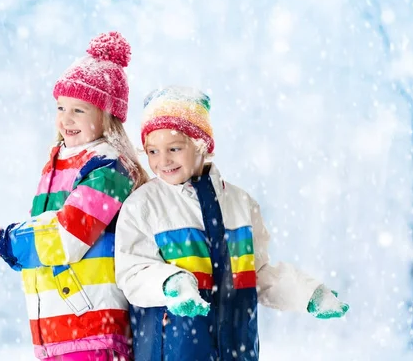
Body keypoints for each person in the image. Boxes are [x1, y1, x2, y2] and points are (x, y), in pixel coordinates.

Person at [114, 85, 349, 361]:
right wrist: (170, 284)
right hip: (173, 350)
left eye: (174, 148)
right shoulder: (144, 205)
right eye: (152, 151)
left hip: (237, 349)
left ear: (202, 144)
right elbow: (131, 272)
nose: (162, 160)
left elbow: (257, 273)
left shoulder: (240, 204)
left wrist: (307, 293)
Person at [0, 32, 149, 361]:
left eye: (79, 110)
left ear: (107, 115)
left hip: (92, 330)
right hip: (58, 332)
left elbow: (66, 237)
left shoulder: (109, 170)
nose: (66, 119)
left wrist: (0, 241)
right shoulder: (57, 165)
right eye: (61, 107)